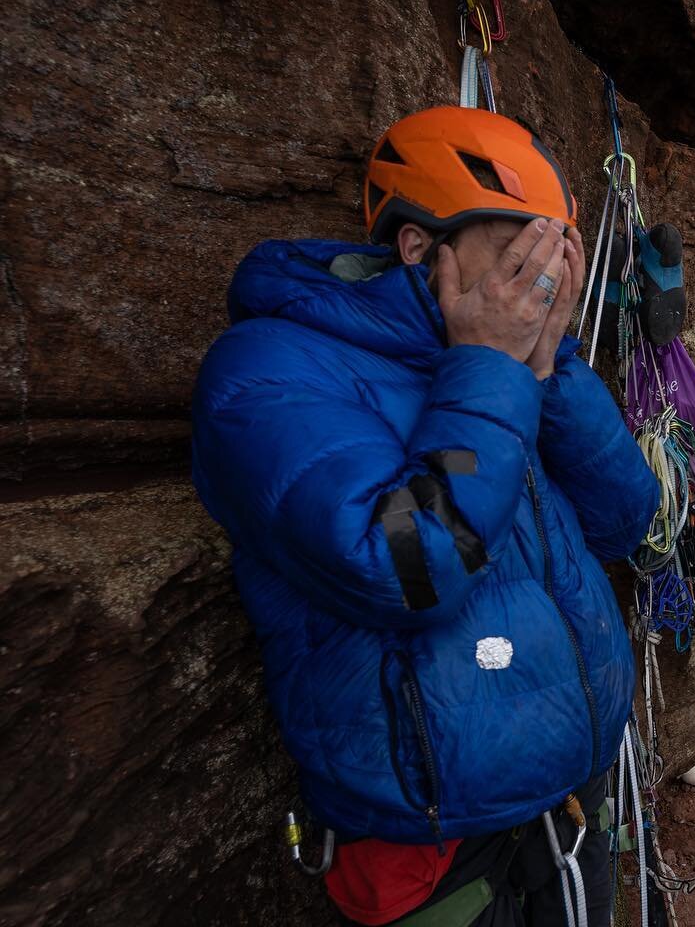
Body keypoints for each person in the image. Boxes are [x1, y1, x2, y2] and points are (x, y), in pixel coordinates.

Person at [191, 106, 659, 926]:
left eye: (554, 249)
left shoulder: (518, 366)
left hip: (573, 795)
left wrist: (545, 372)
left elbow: (625, 519)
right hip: (435, 842)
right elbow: (403, 569)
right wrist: (485, 368)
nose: (544, 275)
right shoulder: (268, 369)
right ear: (418, 247)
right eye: (519, 248)